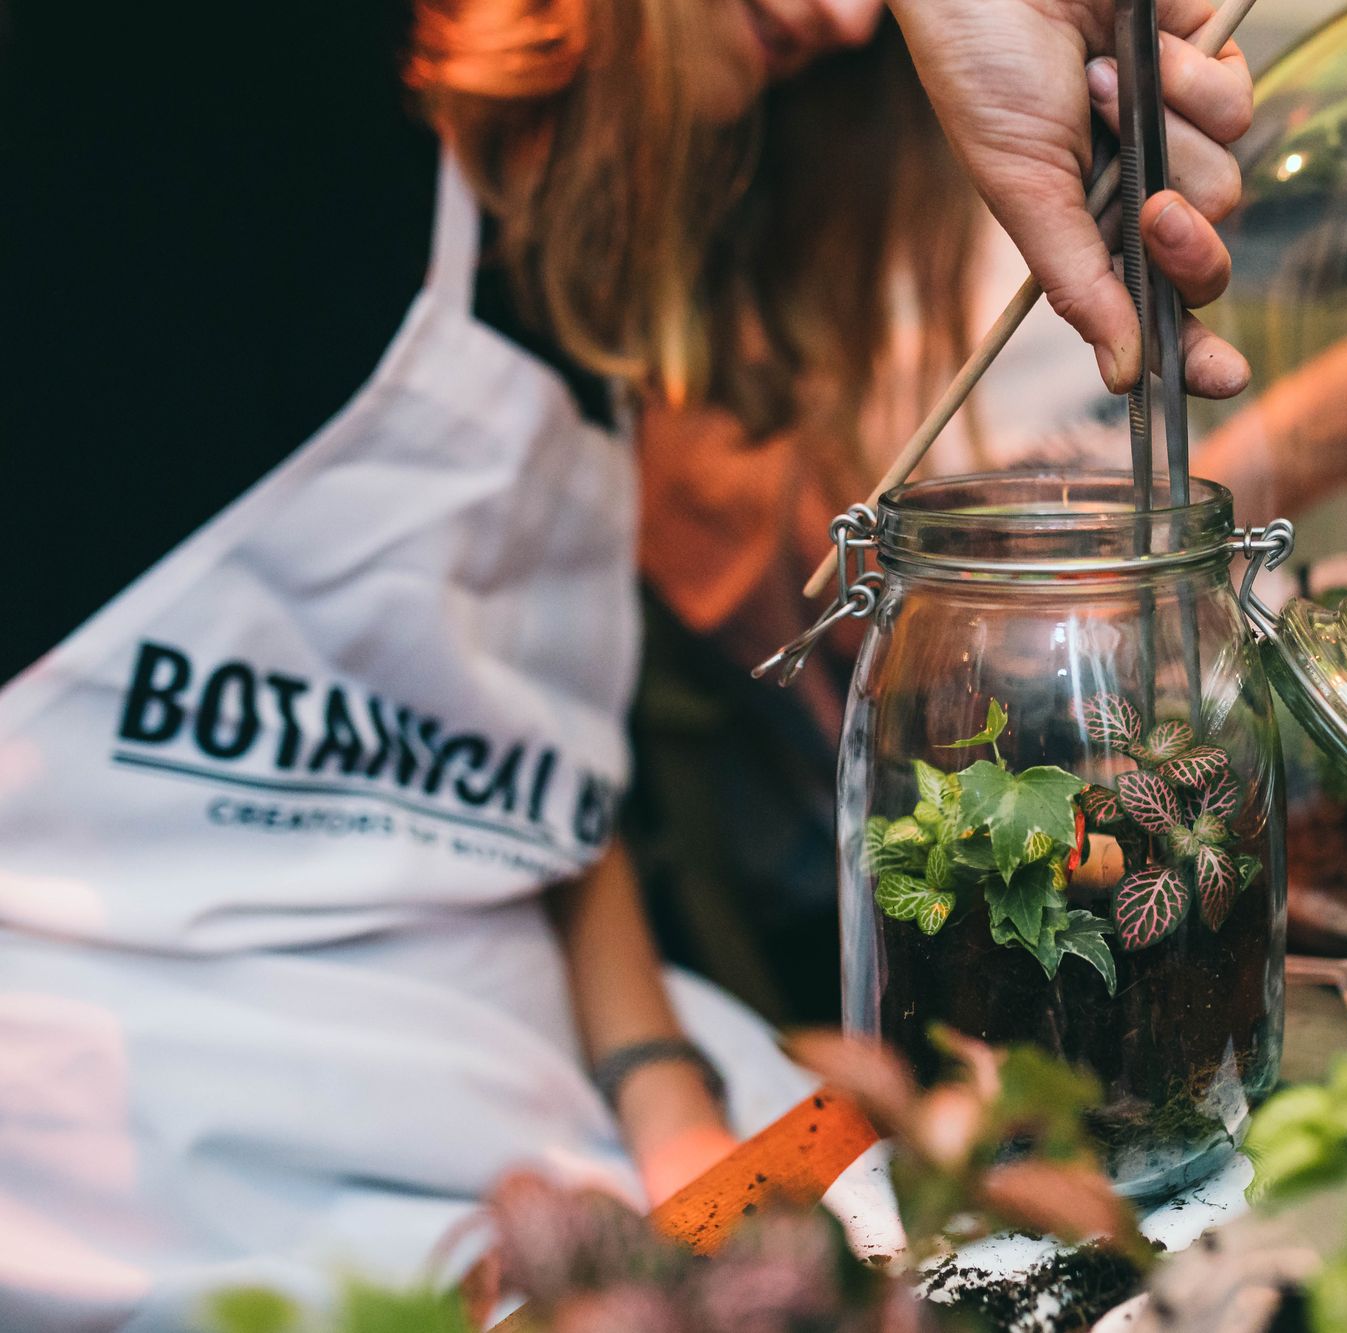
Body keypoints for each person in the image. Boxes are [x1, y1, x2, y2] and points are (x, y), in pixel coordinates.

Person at [0, 0, 1253, 1326]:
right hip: (141, 1136)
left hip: (548, 1077)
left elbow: (529, 783)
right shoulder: (219, 108)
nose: (839, 19)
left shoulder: (569, 286)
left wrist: (664, 1096)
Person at [632, 10, 1347, 1018]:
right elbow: (952, 636)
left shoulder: (914, 136)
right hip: (961, 931)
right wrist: (1295, 444)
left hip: (1202, 809)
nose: (852, 17)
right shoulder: (707, 245)